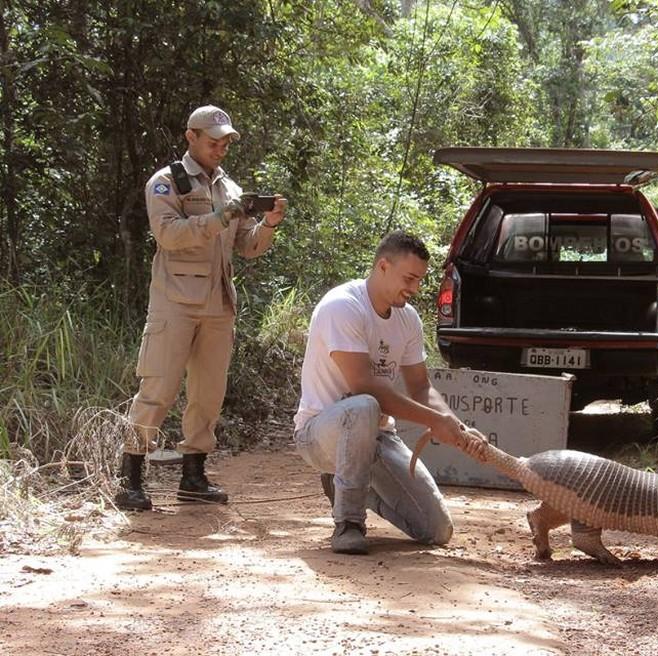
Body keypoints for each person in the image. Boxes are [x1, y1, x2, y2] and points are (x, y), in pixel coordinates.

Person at [115, 105, 287, 510]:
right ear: (191, 137)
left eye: (226, 142)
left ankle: (193, 476)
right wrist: (220, 216)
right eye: (214, 141)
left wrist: (269, 224)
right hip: (174, 302)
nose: (221, 148)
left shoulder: (230, 189)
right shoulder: (166, 183)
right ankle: (130, 476)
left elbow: (247, 247)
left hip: (218, 304)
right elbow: (168, 235)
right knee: (158, 388)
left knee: (208, 394)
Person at [293, 230, 486, 555]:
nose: (415, 289)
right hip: (319, 435)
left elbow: (420, 386)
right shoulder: (342, 306)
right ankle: (348, 523)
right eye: (409, 278)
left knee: (436, 529)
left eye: (419, 280)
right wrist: (435, 422)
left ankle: (348, 484)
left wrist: (458, 428)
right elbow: (363, 385)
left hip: (378, 436)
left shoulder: (408, 319)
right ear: (383, 266)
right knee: (363, 405)